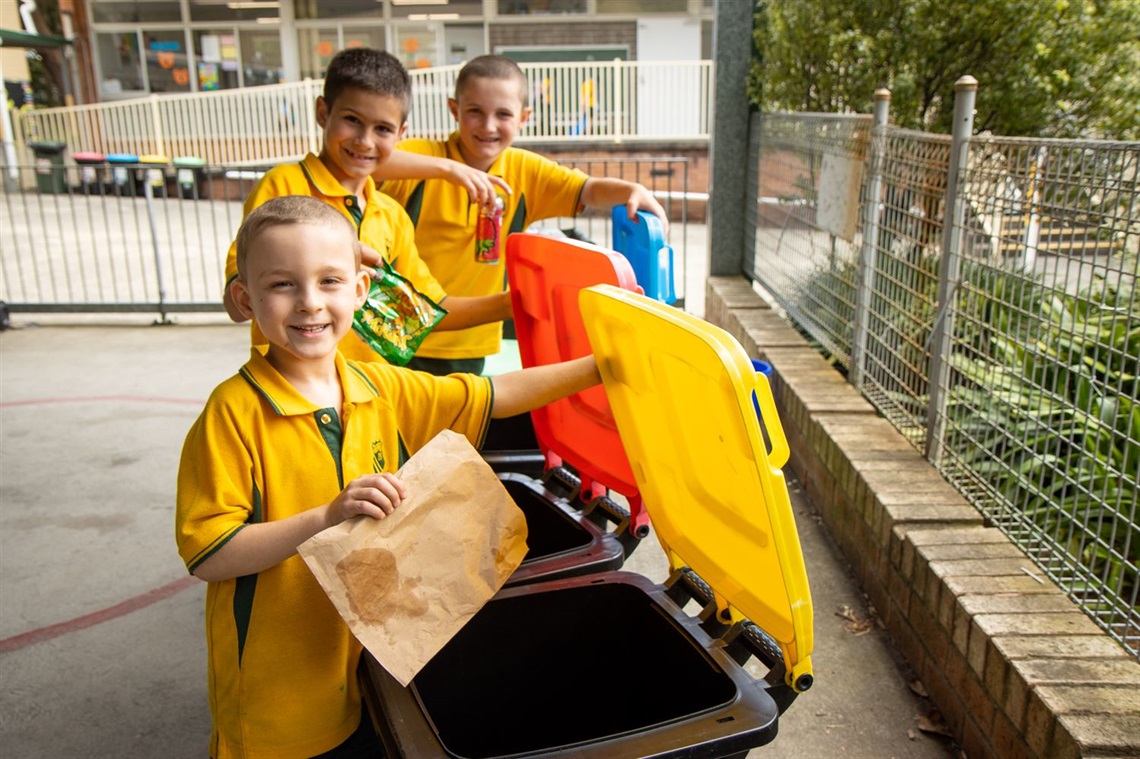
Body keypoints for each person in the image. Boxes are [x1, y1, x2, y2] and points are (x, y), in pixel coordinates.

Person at [177, 195, 602, 759]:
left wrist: (605, 367)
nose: (310, 303)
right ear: (245, 298)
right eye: (282, 285)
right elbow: (209, 553)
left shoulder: (382, 387)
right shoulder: (232, 414)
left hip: (368, 667)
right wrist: (326, 517)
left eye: (329, 281)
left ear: (359, 289)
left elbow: (498, 394)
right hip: (277, 699)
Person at [377, 54, 670, 376]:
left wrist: (633, 191)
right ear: (454, 110)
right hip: (394, 338)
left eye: (503, 114)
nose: (488, 126)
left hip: (466, 340)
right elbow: (369, 159)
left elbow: (588, 189)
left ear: (523, 117)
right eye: (475, 112)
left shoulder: (523, 171)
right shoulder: (423, 158)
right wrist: (448, 170)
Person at [221, 47, 513, 363]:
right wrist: (333, 259)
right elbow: (235, 304)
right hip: (288, 393)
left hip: (368, 398)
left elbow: (425, 311)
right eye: (352, 120)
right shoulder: (283, 185)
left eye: (382, 129)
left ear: (402, 134)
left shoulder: (391, 215)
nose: (365, 141)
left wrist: (516, 302)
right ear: (323, 113)